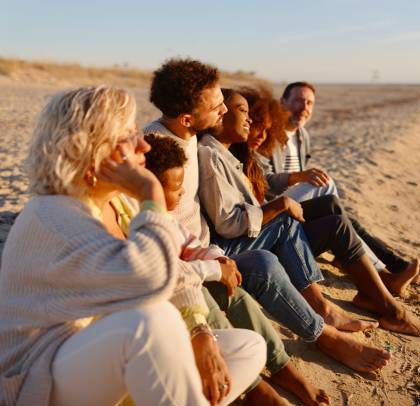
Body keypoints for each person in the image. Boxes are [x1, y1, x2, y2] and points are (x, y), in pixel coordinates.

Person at [0, 86, 265, 406]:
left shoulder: (116, 203)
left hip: (96, 358)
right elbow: (154, 280)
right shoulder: (55, 215)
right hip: (38, 378)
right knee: (150, 321)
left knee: (246, 347)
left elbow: (170, 268)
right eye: (128, 136)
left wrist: (200, 333)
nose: (143, 144)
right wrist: (151, 193)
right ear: (90, 149)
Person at [144, 58, 391, 374]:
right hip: (192, 256)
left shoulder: (189, 134)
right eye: (218, 106)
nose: (223, 112)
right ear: (189, 117)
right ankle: (324, 332)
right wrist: (212, 260)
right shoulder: (161, 152)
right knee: (266, 259)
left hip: (206, 246)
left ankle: (331, 311)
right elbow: (160, 227)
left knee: (313, 215)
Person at [199, 88, 420, 338]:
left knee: (334, 213)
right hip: (237, 246)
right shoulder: (211, 156)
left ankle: (379, 290)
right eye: (243, 111)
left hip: (255, 235)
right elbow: (228, 224)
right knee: (292, 217)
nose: (251, 121)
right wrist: (279, 205)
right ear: (219, 114)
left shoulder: (231, 155)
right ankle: (336, 307)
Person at [139, 133, 330, 406]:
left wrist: (219, 260)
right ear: (151, 187)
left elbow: (189, 243)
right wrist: (214, 269)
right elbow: (169, 272)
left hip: (196, 273)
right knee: (208, 300)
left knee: (235, 295)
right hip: (161, 304)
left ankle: (282, 367)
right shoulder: (142, 220)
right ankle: (256, 388)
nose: (181, 193)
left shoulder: (164, 216)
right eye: (176, 187)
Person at [253, 83, 420, 286]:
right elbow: (262, 182)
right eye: (298, 101)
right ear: (282, 102)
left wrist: (302, 180)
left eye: (309, 103)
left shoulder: (302, 136)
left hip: (297, 205)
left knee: (345, 219)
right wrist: (296, 177)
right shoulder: (267, 133)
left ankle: (398, 268)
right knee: (325, 187)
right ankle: (387, 271)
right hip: (273, 208)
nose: (304, 107)